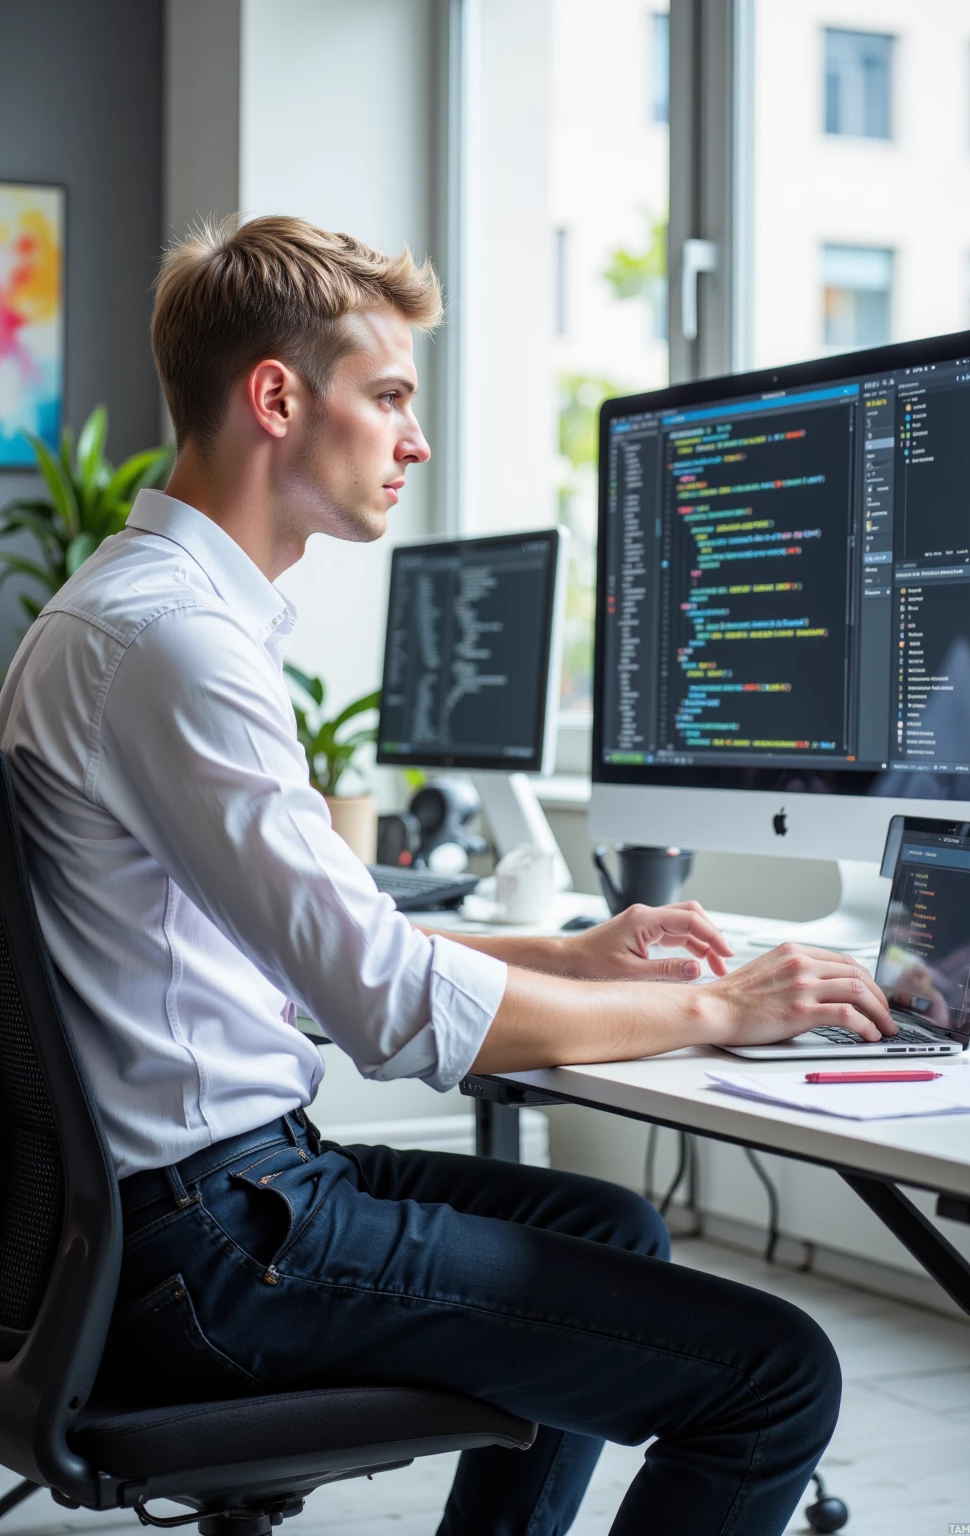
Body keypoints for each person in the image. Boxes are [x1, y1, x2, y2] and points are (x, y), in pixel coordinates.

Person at [0, 216, 896, 1535]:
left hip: (167, 1219)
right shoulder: (175, 646)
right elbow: (387, 1007)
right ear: (276, 398)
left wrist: (575, 959)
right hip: (212, 1251)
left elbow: (327, 940)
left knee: (612, 1233)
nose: (414, 442)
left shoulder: (126, 615)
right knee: (778, 1377)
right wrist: (725, 1008)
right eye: (391, 398)